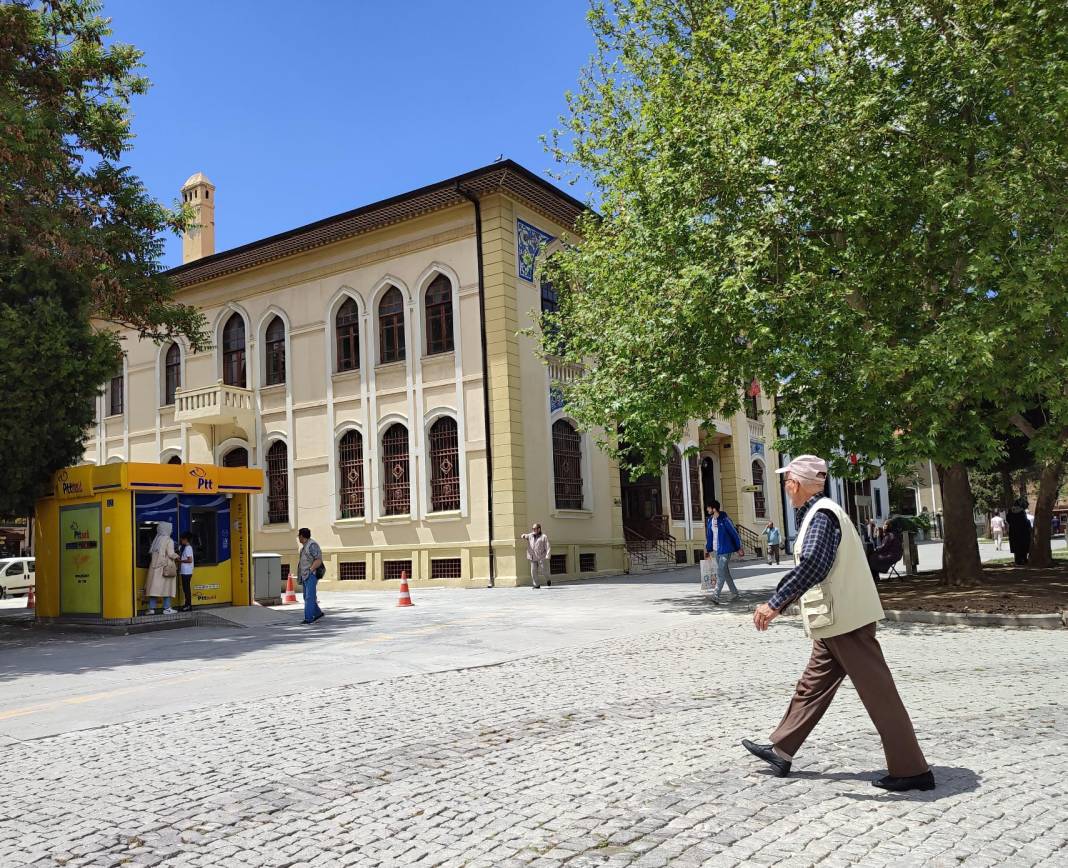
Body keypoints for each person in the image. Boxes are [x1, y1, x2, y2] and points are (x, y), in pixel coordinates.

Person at [743, 455, 934, 792]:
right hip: (836, 620)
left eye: (787, 482)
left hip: (846, 621)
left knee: (879, 694)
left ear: (795, 484)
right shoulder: (824, 512)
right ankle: (781, 749)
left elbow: (815, 564)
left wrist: (775, 603)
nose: (786, 489)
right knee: (811, 687)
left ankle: (911, 769)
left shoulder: (821, 516)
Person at [705, 500, 743, 604]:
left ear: (714, 509)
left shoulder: (725, 520)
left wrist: (739, 547)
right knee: (725, 573)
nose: (707, 509)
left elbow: (734, 533)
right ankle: (735, 593)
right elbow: (709, 537)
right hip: (717, 550)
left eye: (708, 507)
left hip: (726, 549)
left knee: (720, 572)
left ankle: (716, 595)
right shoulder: (710, 521)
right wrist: (708, 549)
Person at [145, 521, 179, 615]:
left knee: (154, 589)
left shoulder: (156, 540)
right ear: (167, 529)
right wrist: (178, 556)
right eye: (170, 528)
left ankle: (151, 609)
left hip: (154, 569)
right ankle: (167, 608)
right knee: (167, 588)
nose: (171, 530)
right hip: (165, 568)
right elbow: (171, 554)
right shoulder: (169, 540)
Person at [298, 528, 325, 624]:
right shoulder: (304, 547)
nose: (298, 538)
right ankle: (317, 613)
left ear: (301, 536)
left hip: (311, 575)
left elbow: (318, 559)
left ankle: (308, 618)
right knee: (307, 596)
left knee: (309, 597)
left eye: (299, 536)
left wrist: (311, 570)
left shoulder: (312, 545)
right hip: (305, 575)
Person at [521, 523, 551, 589]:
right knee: (533, 571)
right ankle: (536, 585)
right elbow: (525, 535)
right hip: (533, 556)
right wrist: (523, 535)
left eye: (535, 529)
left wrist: (547, 556)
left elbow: (548, 546)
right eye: (533, 529)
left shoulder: (544, 536)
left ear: (539, 529)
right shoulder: (530, 535)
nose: (533, 530)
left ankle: (548, 579)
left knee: (544, 571)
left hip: (542, 556)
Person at [1007, 498, 1031, 566]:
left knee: (1016, 546)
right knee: (1023, 545)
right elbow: (1025, 521)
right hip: (1022, 531)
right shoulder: (1022, 511)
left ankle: (1017, 560)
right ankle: (1024, 559)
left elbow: (1008, 520)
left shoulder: (1010, 511)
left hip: (1013, 531)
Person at [178, 531, 195, 612]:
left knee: (186, 589)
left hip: (186, 571)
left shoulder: (188, 548)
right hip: (185, 571)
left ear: (186, 539)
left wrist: (180, 561)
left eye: (182, 539)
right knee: (186, 588)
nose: (181, 540)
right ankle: (187, 604)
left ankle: (188, 605)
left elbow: (190, 560)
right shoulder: (186, 547)